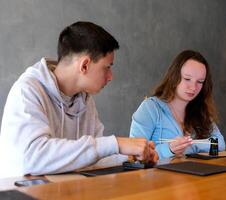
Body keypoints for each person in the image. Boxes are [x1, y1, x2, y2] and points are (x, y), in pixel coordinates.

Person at [0, 21, 156, 178]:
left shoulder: (84, 98)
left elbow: (95, 156)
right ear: (84, 66)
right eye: (107, 67)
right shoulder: (27, 90)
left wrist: (131, 155)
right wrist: (115, 144)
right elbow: (32, 158)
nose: (110, 77)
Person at [129, 50, 225, 159]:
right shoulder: (151, 108)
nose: (193, 87)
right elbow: (135, 153)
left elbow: (220, 144)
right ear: (174, 77)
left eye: (200, 82)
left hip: (194, 174)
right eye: (187, 79)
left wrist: (189, 145)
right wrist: (169, 149)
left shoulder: (200, 111)